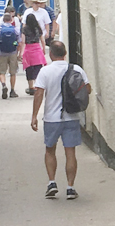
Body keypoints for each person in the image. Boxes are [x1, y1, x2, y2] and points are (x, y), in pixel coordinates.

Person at [32, 40, 90, 200]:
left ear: (50, 54)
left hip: (51, 118)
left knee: (50, 150)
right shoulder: (76, 69)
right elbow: (88, 89)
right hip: (71, 116)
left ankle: (52, 183)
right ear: (65, 53)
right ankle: (70, 188)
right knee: (70, 152)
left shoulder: (45, 71)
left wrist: (34, 116)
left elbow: (38, 93)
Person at [0, 7, 21, 98]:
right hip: (13, 52)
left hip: (2, 52)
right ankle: (12, 90)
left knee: (2, 71)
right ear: (11, 20)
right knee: (13, 72)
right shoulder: (15, 29)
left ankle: (3, 85)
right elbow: (19, 42)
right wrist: (18, 52)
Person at [20, 13, 47, 95]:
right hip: (37, 49)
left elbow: (23, 42)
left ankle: (31, 86)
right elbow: (42, 40)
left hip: (28, 49)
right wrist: (43, 49)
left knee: (29, 68)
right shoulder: (38, 29)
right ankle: (37, 85)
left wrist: (21, 53)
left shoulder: (24, 29)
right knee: (38, 68)